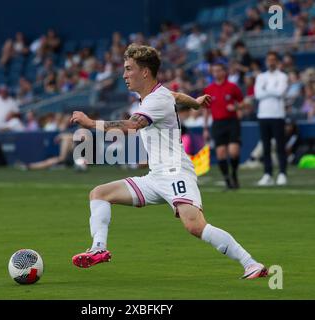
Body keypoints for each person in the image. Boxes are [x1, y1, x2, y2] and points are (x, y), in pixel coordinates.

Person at [70, 44, 267, 279]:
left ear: (145, 72)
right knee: (99, 193)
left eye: (128, 69)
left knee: (195, 226)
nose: (124, 75)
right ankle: (98, 249)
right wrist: (194, 102)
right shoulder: (159, 95)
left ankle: (251, 263)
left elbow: (132, 126)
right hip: (156, 176)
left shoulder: (155, 101)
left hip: (175, 172)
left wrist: (91, 124)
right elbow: (176, 96)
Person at [203, 63, 244, 189]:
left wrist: (236, 107)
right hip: (217, 123)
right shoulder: (209, 89)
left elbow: (243, 102)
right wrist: (205, 128)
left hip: (232, 121)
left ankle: (234, 174)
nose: (217, 73)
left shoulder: (232, 87)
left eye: (219, 70)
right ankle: (227, 179)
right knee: (220, 153)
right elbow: (206, 109)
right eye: (214, 71)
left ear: (224, 72)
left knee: (233, 151)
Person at [254, 51, 289, 186]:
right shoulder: (261, 76)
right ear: (266, 61)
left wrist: (266, 90)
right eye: (269, 60)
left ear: (277, 61)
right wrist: (271, 90)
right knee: (266, 147)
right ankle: (267, 174)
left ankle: (282, 173)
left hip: (277, 115)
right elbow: (258, 94)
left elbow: (280, 93)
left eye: (273, 59)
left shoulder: (282, 76)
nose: (271, 62)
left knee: (280, 146)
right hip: (263, 115)